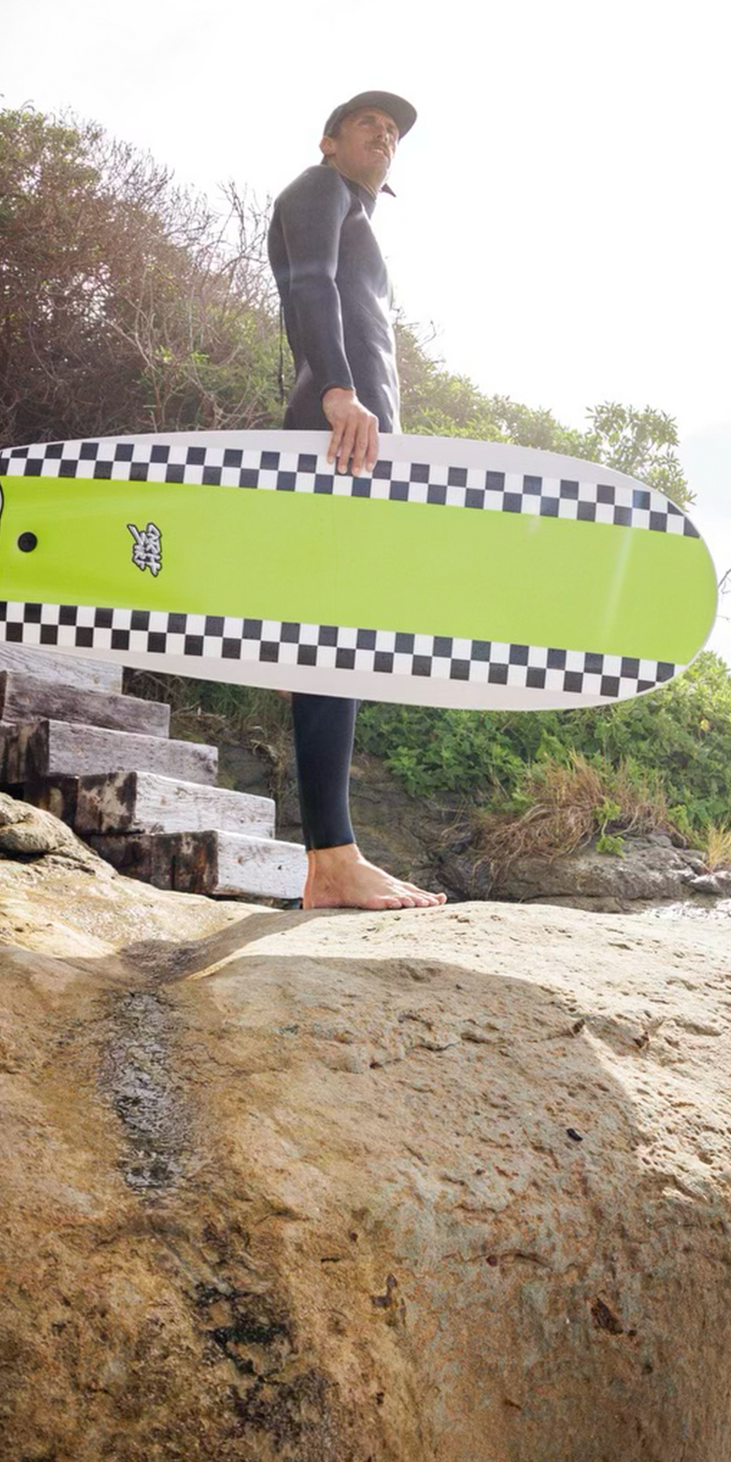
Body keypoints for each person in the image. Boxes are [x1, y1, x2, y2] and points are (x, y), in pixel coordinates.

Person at [267, 91, 446, 912]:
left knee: (336, 638)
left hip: (359, 444)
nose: (386, 134)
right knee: (329, 633)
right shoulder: (316, 190)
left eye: (395, 130)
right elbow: (307, 286)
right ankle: (331, 860)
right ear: (329, 141)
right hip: (333, 434)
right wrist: (338, 391)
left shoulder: (355, 213)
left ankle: (330, 859)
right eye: (369, 123)